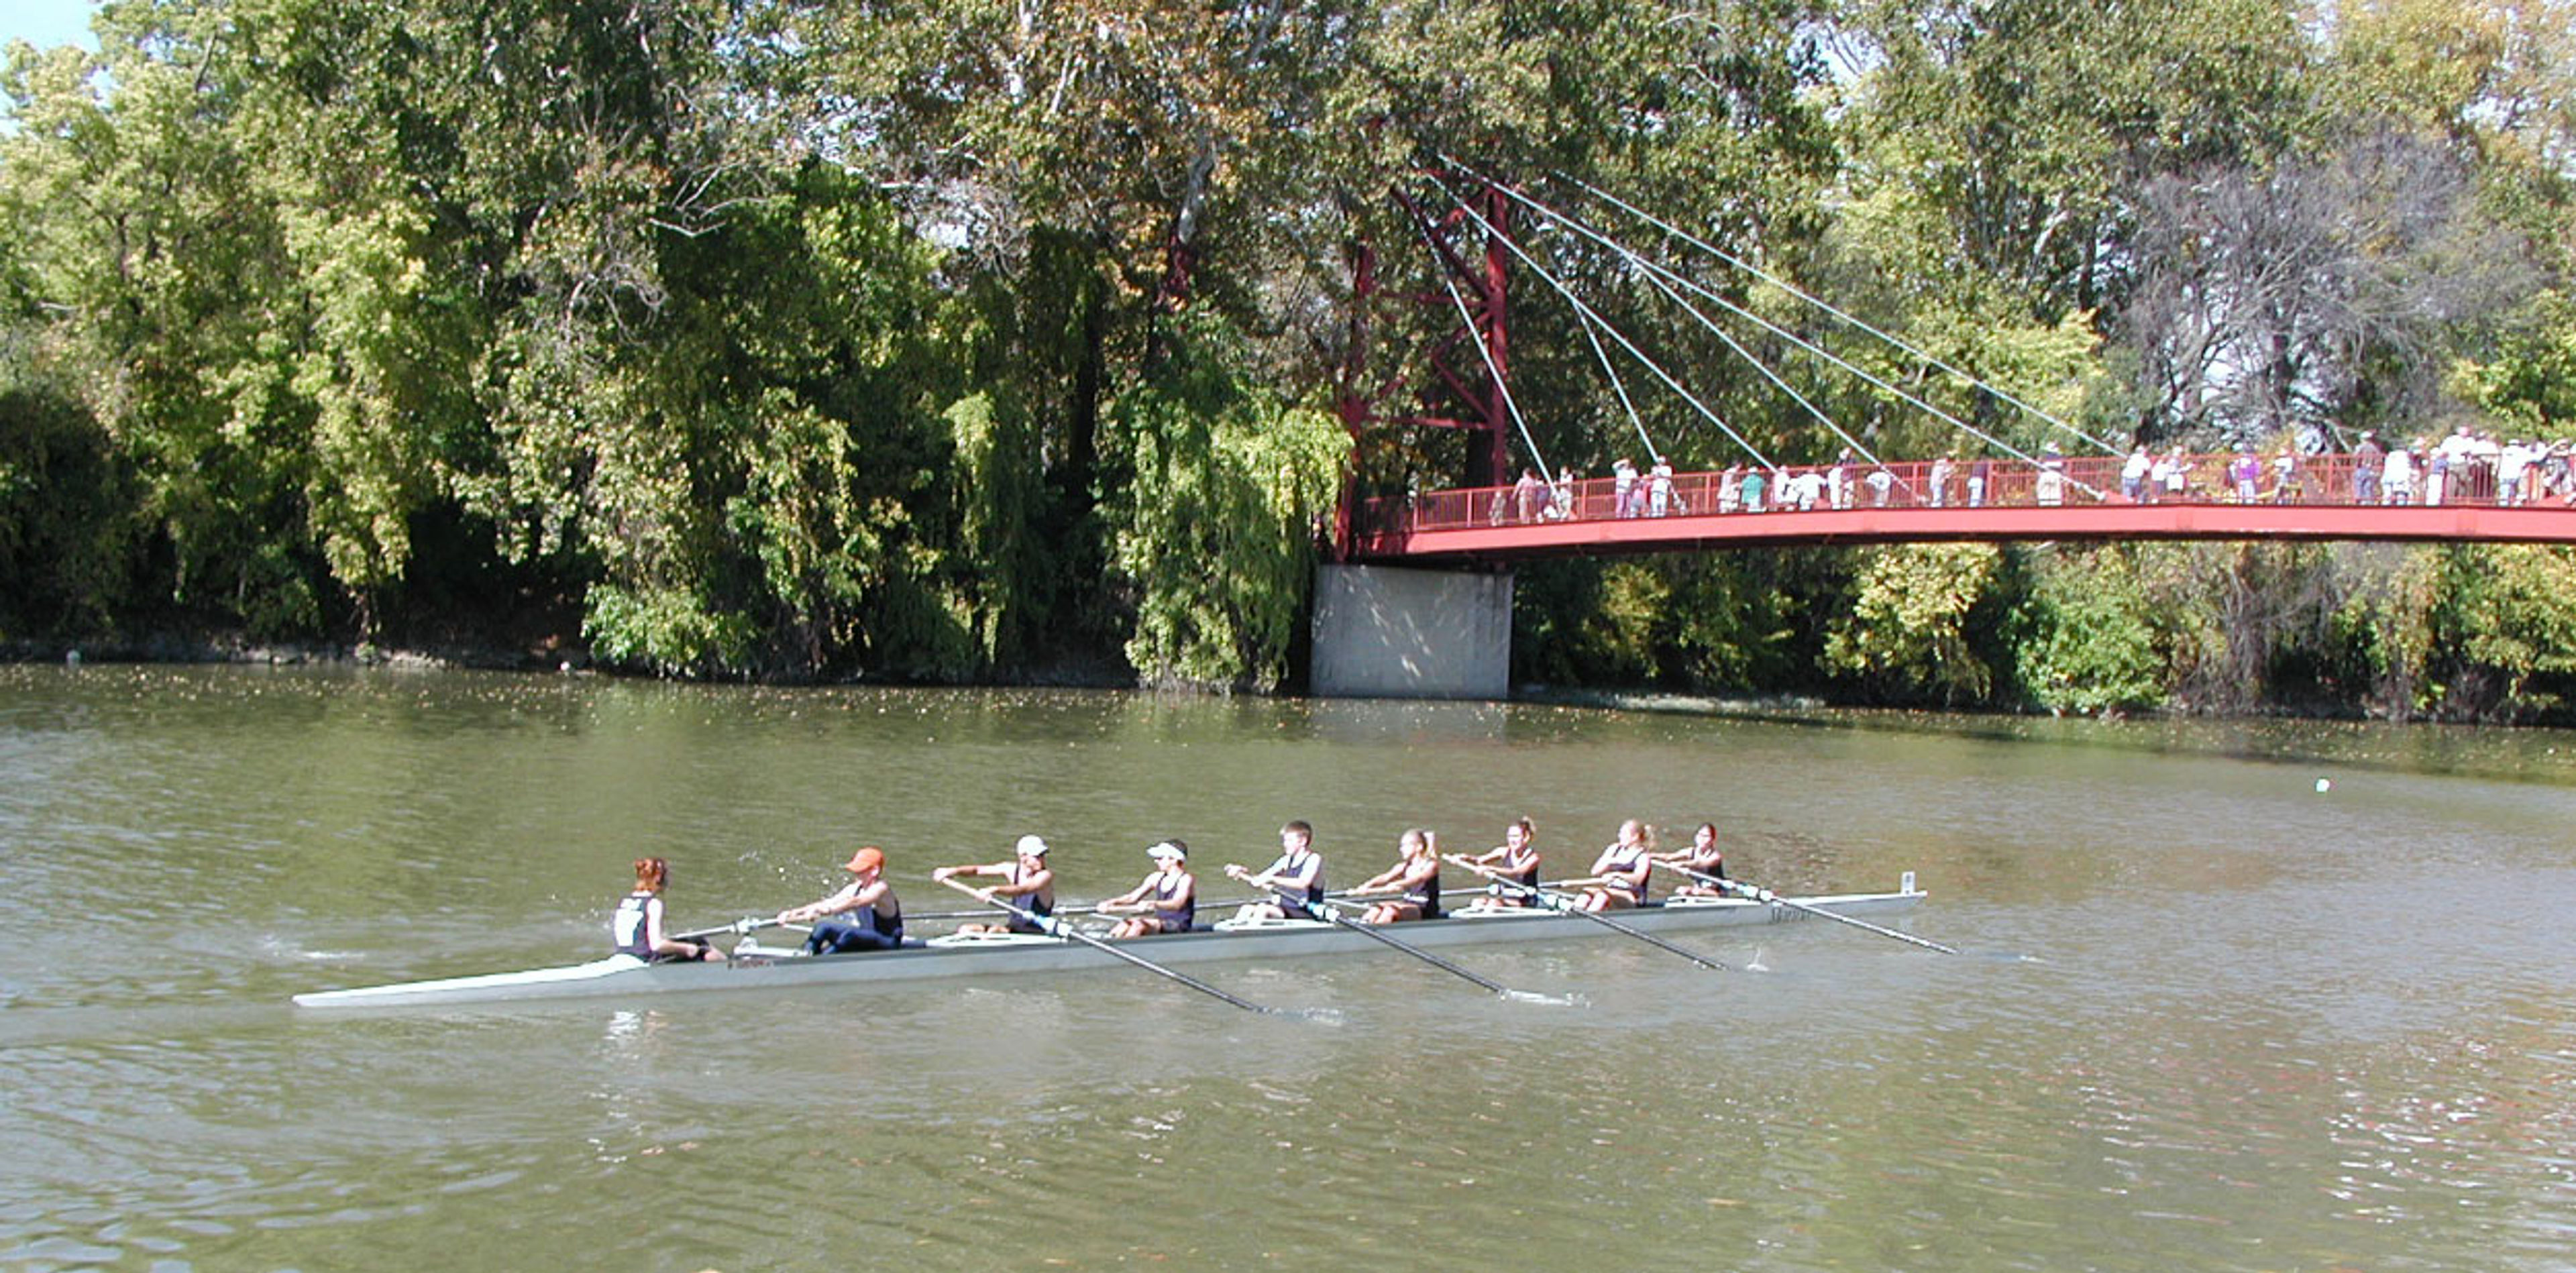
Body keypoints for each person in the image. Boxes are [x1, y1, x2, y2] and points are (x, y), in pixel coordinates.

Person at [778, 846, 905, 954]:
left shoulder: (881, 888)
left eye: (860, 870)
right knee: (823, 927)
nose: (857, 874)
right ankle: (805, 956)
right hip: (867, 937)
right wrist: (792, 913)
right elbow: (828, 902)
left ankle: (820, 962)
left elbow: (857, 902)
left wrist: (827, 911)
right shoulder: (855, 887)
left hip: (888, 942)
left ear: (875, 871)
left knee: (850, 935)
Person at [932, 834, 1056, 935]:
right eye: (1037, 856)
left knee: (994, 932)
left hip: (1036, 934)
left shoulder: (1045, 875)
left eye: (1043, 855)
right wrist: (952, 871)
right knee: (966, 929)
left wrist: (994, 889)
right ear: (1023, 857)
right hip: (1013, 930)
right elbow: (978, 870)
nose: (1042, 859)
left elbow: (1024, 889)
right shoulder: (1011, 869)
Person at [612, 856, 726, 962]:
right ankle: (732, 967)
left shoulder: (624, 902)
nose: (669, 881)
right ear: (658, 878)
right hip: (646, 959)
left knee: (691, 940)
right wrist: (687, 948)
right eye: (667, 877)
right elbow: (657, 945)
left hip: (625, 955)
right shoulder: (653, 904)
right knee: (702, 946)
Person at [1226, 820, 1326, 922]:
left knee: (1263, 908)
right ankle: (1234, 935)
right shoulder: (1286, 860)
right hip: (1285, 910)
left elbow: (1302, 883)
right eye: (1284, 840)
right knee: (1246, 908)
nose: (1285, 844)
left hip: (1306, 912)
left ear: (1303, 841)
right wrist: (1241, 873)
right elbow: (1260, 880)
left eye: (1289, 841)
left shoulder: (1314, 859)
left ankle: (1253, 935)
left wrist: (1272, 879)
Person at [1099, 840, 1197, 938]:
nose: (1156, 861)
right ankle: (1110, 941)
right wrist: (1110, 903)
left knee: (1139, 925)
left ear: (1173, 859)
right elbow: (1132, 898)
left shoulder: (1186, 879)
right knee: (1125, 924)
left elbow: (1177, 904)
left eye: (1160, 858)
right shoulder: (1156, 877)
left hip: (1179, 925)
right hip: (1160, 923)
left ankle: (1127, 946)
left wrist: (1153, 904)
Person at [1348, 828, 1444, 924]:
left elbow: (1419, 878)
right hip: (1409, 905)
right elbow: (1385, 878)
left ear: (1419, 847)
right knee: (1376, 908)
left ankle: (1376, 933)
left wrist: (1398, 884)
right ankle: (1363, 927)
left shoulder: (1431, 865)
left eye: (1405, 846)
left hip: (1425, 910)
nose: (1401, 849)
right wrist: (1367, 885)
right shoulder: (1403, 866)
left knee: (1390, 910)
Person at [1455, 816, 1543, 909]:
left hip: (1525, 900)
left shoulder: (1533, 858)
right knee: (1478, 902)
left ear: (1526, 837)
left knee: (1494, 904)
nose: (1512, 840)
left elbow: (1514, 872)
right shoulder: (1503, 851)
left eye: (1516, 836)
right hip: (1507, 896)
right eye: (1510, 836)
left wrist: (1489, 868)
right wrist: (1464, 857)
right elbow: (1479, 860)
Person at [1571, 819, 1655, 911]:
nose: (1619, 836)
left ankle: (1586, 922)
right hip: (1610, 890)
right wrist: (1610, 862)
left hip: (1631, 897)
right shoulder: (1614, 849)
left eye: (1623, 834)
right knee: (1585, 894)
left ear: (1635, 837)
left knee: (1602, 896)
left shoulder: (1643, 857)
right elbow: (1594, 872)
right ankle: (1572, 918)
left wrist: (1617, 875)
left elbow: (1638, 879)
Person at [1654, 822, 1729, 898]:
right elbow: (1668, 857)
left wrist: (1681, 864)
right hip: (1699, 889)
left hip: (1716, 893)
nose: (1702, 839)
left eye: (1706, 836)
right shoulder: (1691, 851)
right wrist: (1649, 855)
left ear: (1713, 839)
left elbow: (1699, 863)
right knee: (1681, 890)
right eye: (1700, 835)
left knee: (1693, 891)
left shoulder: (1715, 857)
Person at [2353, 431, 2383, 502]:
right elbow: (2379, 459)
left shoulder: (2360, 447)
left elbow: (2356, 458)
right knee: (2368, 489)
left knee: (2359, 488)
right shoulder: (2374, 448)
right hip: (2371, 470)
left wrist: (2356, 466)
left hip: (2361, 469)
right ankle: (2368, 504)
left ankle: (2359, 504)